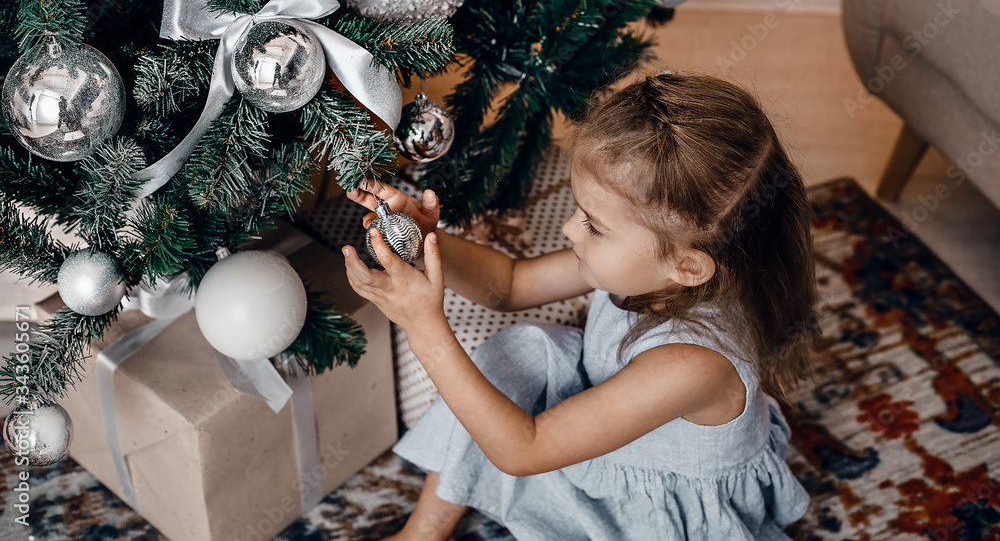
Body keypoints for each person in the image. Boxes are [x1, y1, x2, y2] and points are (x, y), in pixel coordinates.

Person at [342, 71, 822, 541]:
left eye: (593, 224)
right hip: (609, 451)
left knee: (505, 425)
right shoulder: (651, 268)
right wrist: (428, 236)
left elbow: (523, 451)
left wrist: (424, 325)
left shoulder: (694, 363)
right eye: (578, 211)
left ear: (688, 267)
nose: (570, 229)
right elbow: (506, 286)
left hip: (657, 516)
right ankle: (423, 532)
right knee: (520, 354)